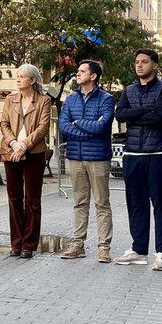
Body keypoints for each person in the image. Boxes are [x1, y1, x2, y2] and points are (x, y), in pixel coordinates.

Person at [113, 48, 162, 270]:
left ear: (155, 65)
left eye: (144, 62)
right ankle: (139, 250)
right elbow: (120, 115)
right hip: (132, 155)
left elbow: (160, 117)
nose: (139, 65)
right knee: (136, 204)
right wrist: (146, 110)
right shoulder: (128, 91)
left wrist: (136, 114)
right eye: (137, 62)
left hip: (158, 155)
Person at [57, 60, 116, 263]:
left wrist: (78, 123)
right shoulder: (71, 99)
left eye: (82, 71)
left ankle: (104, 248)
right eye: (78, 71)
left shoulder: (107, 99)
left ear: (93, 76)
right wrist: (85, 132)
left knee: (102, 203)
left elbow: (102, 128)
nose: (77, 74)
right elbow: (63, 126)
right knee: (80, 203)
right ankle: (77, 245)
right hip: (75, 157)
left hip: (98, 158)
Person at [0, 64, 51, 259]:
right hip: (11, 152)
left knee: (32, 199)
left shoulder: (44, 101)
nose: (18, 79)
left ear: (33, 80)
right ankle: (16, 243)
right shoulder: (11, 99)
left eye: (22, 76)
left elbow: (43, 127)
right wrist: (14, 143)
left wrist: (24, 146)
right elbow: (3, 123)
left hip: (34, 152)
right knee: (14, 198)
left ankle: (29, 244)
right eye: (17, 76)